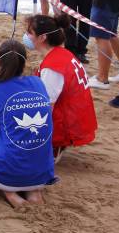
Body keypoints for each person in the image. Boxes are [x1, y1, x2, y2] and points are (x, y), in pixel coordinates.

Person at [0, 39, 56, 209]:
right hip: (42, 171)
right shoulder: (38, 82)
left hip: (8, 169)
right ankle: (34, 193)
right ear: (24, 62)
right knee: (24, 158)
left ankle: (9, 194)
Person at [24, 14, 97, 160]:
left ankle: (54, 146)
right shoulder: (64, 54)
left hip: (67, 124)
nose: (26, 36)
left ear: (42, 37)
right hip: (77, 117)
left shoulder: (53, 66)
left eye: (29, 33)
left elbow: (46, 106)